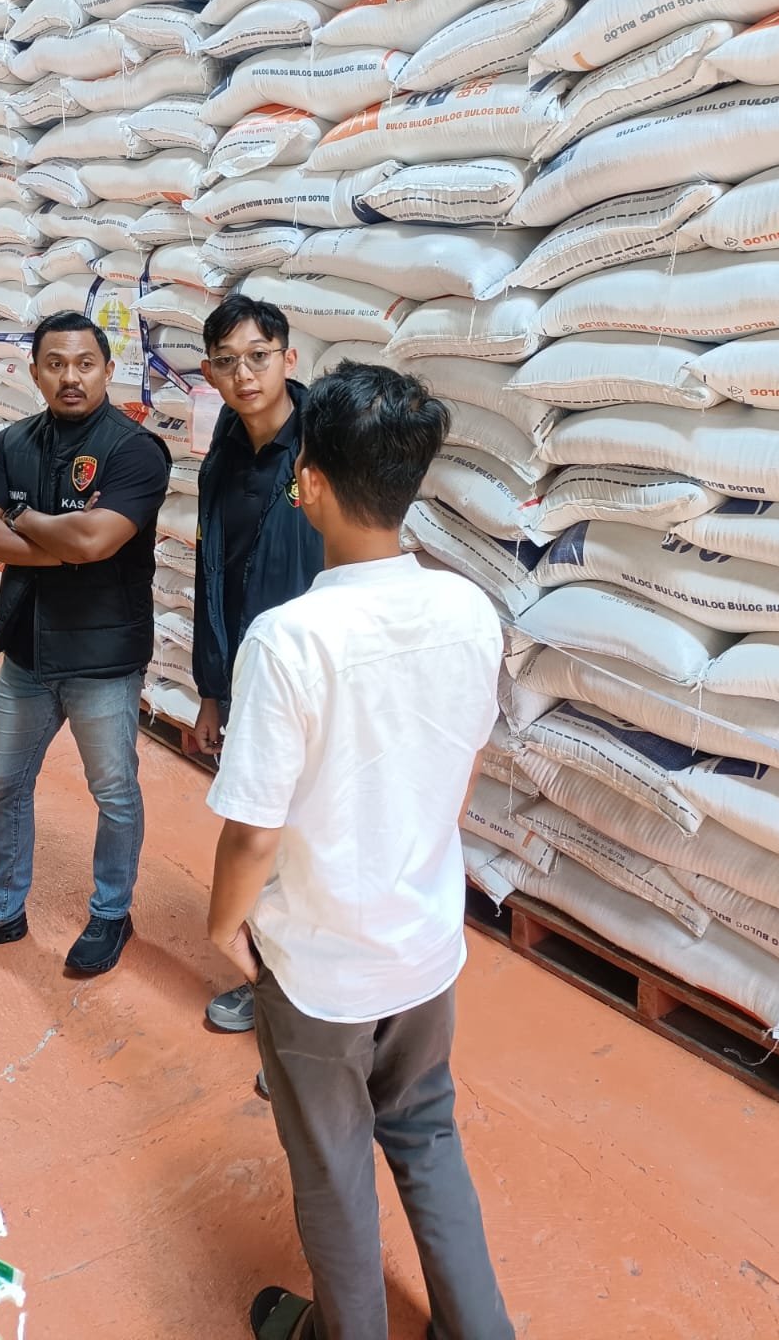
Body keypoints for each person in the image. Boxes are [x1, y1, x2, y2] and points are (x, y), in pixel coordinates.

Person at [206, 361, 514, 1340]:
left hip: (320, 965)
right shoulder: (469, 611)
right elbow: (460, 774)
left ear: (309, 482)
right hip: (423, 945)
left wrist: (224, 924)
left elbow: (255, 829)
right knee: (427, 1134)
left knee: (334, 1167)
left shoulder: (289, 639)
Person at [0, 311, 170, 976]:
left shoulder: (134, 451)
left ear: (108, 370)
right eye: (55, 364)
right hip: (28, 649)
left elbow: (95, 539)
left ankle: (111, 913)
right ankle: (0, 909)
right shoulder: (13, 442)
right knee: (2, 782)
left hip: (102, 659)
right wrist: (62, 547)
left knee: (113, 791)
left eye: (84, 363)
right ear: (34, 373)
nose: (70, 377)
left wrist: (21, 517)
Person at [191, 294, 324, 1036]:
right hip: (251, 675)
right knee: (265, 840)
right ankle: (276, 986)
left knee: (314, 842)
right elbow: (212, 572)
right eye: (227, 362)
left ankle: (316, 1010)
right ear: (210, 373)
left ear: (288, 358)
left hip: (317, 675)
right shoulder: (224, 445)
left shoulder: (323, 444)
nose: (244, 375)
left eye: (258, 357)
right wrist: (212, 691)